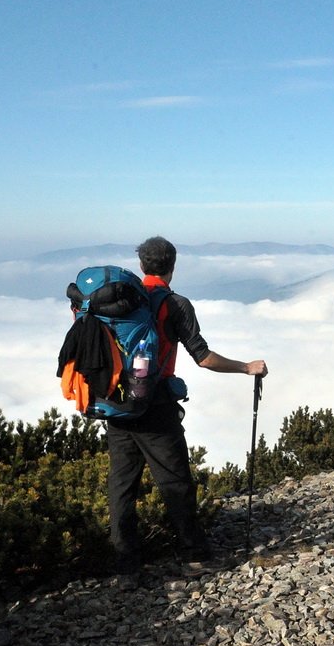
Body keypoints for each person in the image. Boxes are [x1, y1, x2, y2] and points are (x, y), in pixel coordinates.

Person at [106, 236, 267, 580]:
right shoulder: (174, 304)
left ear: (142, 266)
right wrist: (246, 367)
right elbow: (204, 358)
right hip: (156, 405)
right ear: (172, 266)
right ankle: (194, 555)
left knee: (122, 485)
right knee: (176, 482)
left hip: (115, 404)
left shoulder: (117, 302)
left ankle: (126, 564)